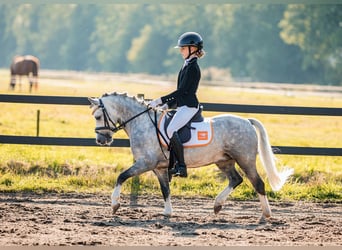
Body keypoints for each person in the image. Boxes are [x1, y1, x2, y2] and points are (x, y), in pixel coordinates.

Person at [149, 31, 205, 178]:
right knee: (169, 129)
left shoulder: (193, 67)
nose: (180, 51)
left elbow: (182, 91)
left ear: (192, 48)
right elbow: (181, 94)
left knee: (171, 129)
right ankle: (173, 165)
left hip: (190, 106)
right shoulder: (187, 64)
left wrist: (160, 100)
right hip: (183, 105)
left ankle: (182, 166)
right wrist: (168, 106)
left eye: (183, 48)